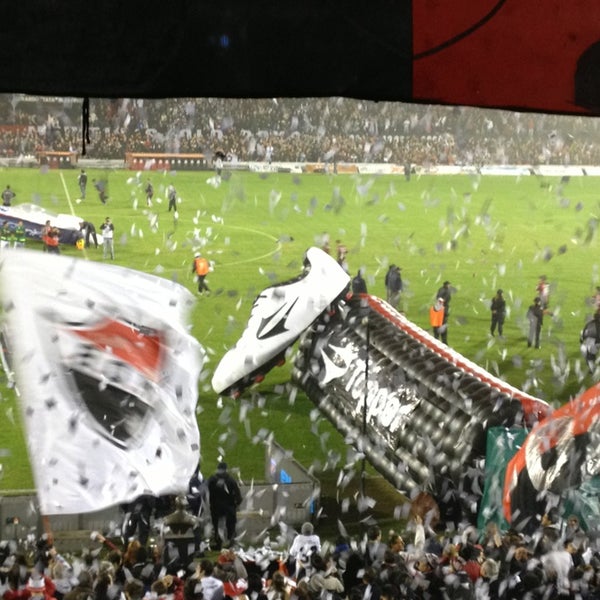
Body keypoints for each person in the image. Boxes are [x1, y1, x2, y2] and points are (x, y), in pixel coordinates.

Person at [207, 462, 242, 550]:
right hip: (229, 508)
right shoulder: (231, 480)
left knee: (217, 526)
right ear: (226, 469)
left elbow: (206, 490)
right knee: (230, 526)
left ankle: (218, 543)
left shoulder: (212, 480)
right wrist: (236, 505)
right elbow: (238, 496)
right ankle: (230, 543)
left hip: (216, 508)